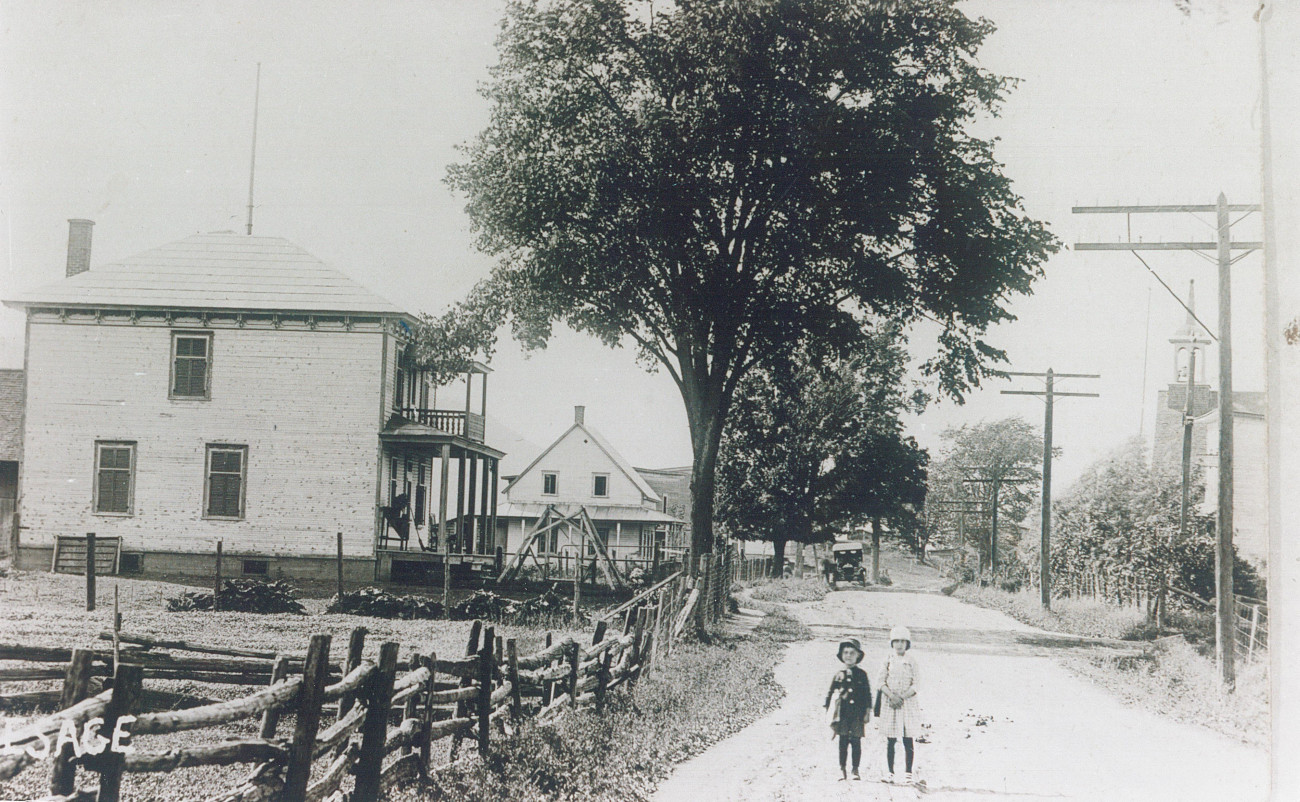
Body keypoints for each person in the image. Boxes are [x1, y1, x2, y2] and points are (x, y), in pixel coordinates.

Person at [877, 625, 921, 784]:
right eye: (896, 641)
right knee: (891, 738)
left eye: (903, 641)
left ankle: (908, 773)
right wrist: (891, 696)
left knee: (908, 738)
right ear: (892, 643)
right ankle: (890, 772)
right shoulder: (887, 660)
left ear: (907, 644)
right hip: (890, 703)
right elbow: (880, 682)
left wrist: (902, 697)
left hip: (907, 703)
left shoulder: (911, 661)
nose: (900, 645)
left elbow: (916, 684)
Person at [824, 638, 871, 781]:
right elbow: (830, 693)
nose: (848, 655)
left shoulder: (862, 674)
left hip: (857, 714)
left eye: (852, 653)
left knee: (856, 742)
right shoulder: (838, 674)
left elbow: (867, 694)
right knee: (843, 741)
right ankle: (842, 768)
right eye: (845, 652)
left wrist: (867, 711)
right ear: (841, 655)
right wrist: (828, 713)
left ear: (858, 656)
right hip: (842, 714)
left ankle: (855, 769)